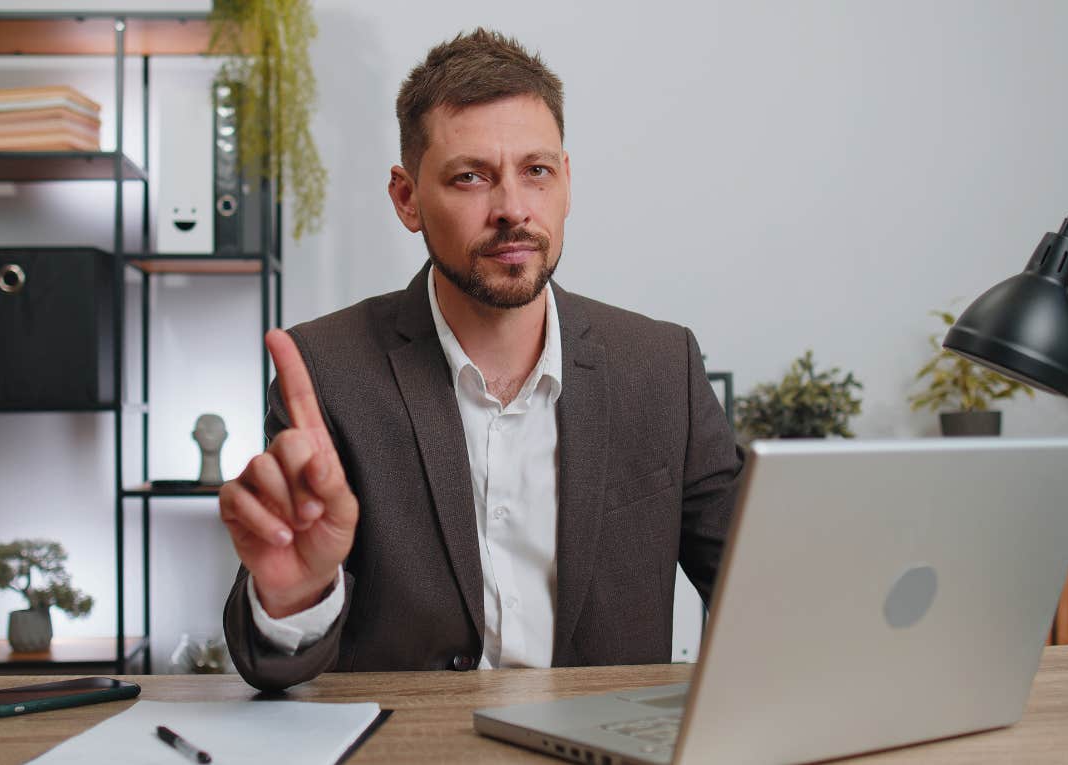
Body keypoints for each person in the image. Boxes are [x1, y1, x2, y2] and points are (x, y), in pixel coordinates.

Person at [220, 28, 742, 692]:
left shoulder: (662, 368)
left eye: (536, 171)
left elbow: (765, 597)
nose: (513, 210)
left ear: (567, 182)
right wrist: (298, 594)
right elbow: (269, 662)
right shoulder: (328, 373)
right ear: (407, 198)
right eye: (471, 177)